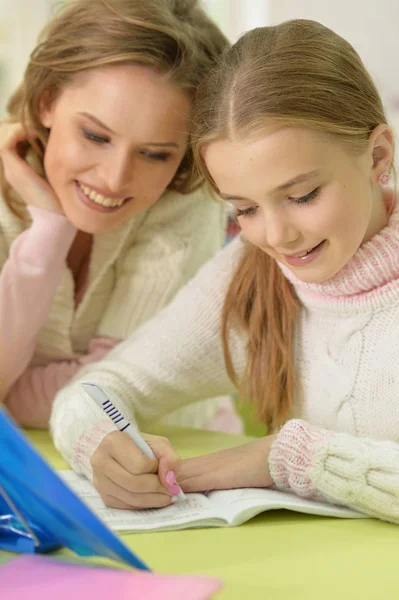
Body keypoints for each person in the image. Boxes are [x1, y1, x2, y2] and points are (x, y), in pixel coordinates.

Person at [50, 19, 399, 523]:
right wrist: (99, 441)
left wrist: (289, 459)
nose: (277, 237)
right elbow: (99, 388)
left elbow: (293, 461)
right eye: (246, 209)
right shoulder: (250, 273)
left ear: (378, 156)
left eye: (301, 196)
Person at [0, 0, 243, 433]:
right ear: (46, 102)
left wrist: (11, 396)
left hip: (178, 450)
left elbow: (116, 391)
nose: (114, 179)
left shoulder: (187, 201)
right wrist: (48, 235)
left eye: (155, 154)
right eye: (95, 135)